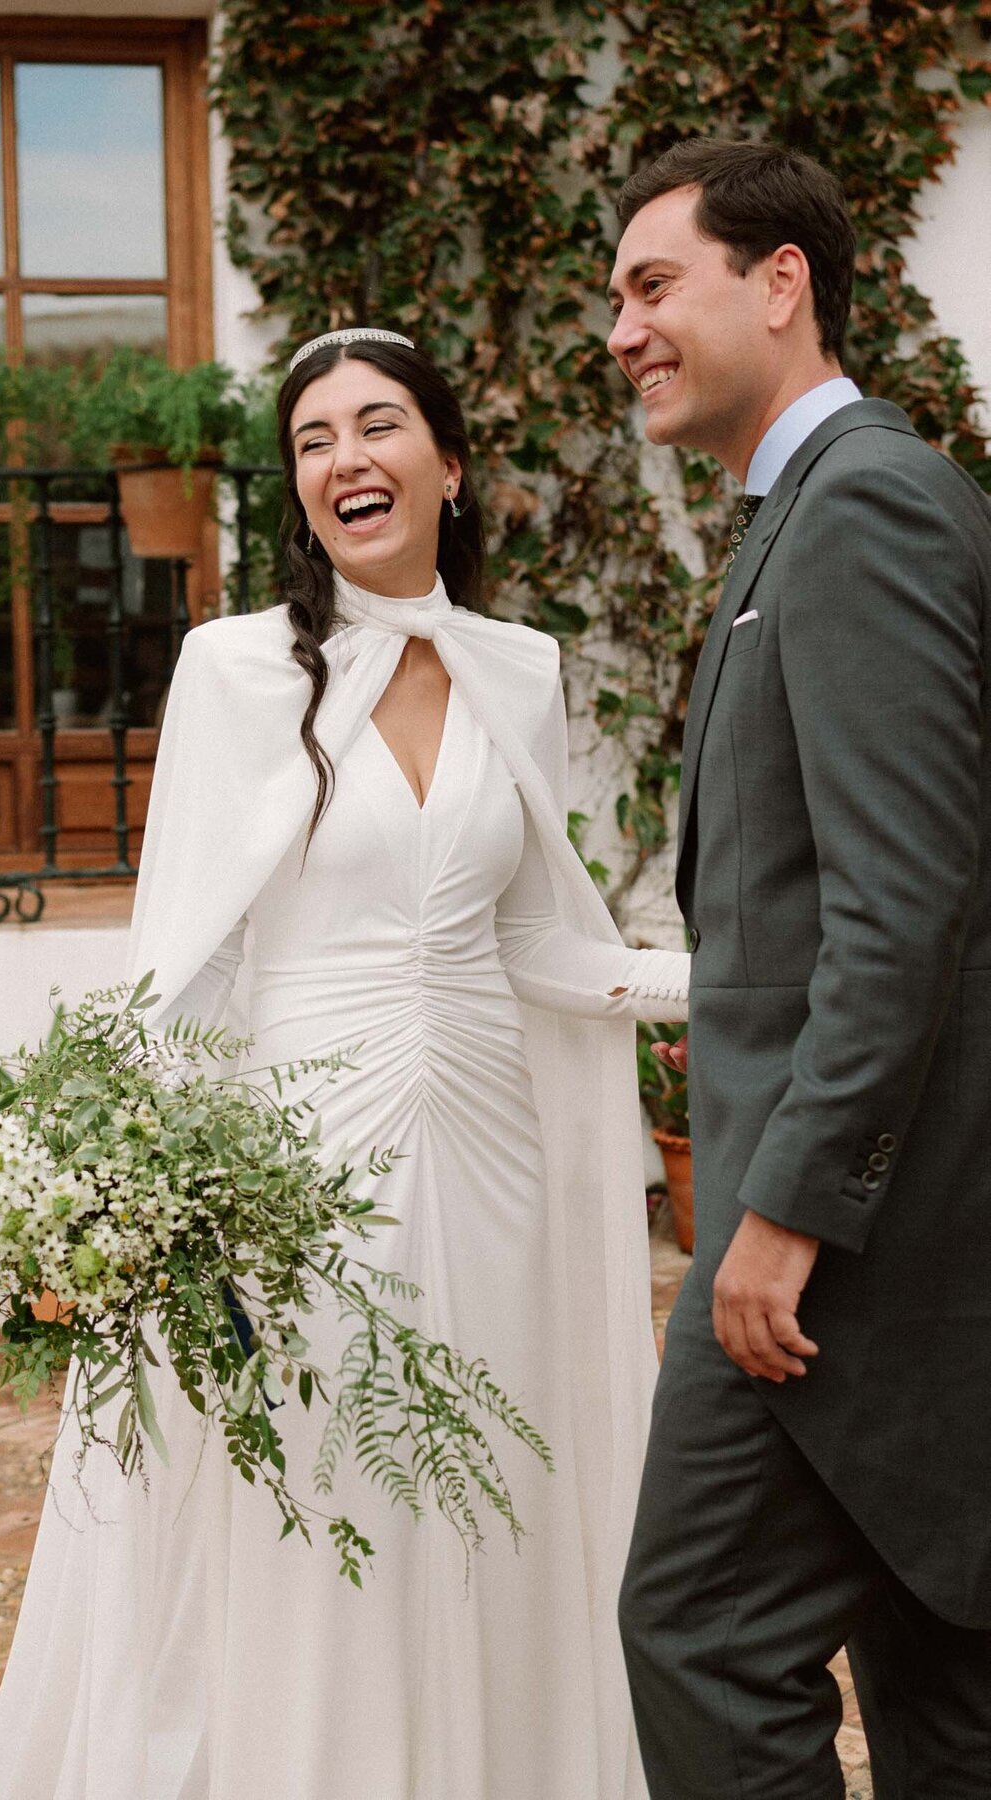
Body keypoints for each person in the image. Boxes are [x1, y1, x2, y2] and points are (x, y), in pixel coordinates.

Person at [0, 329, 688, 1800]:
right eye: (313, 440)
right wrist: (125, 1188)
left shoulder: (523, 671)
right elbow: (188, 954)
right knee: (332, 1477)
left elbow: (534, 936)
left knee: (485, 1461)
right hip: (300, 1154)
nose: (346, 459)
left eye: (378, 425)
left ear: (450, 467)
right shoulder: (235, 669)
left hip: (491, 1143)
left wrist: (717, 986)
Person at [607, 138, 991, 1797]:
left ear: (781, 283)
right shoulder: (817, 507)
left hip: (838, 1246)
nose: (621, 331)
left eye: (652, 285)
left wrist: (784, 1212)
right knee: (942, 1652)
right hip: (898, 1229)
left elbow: (902, 907)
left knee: (699, 1628)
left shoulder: (865, 506)